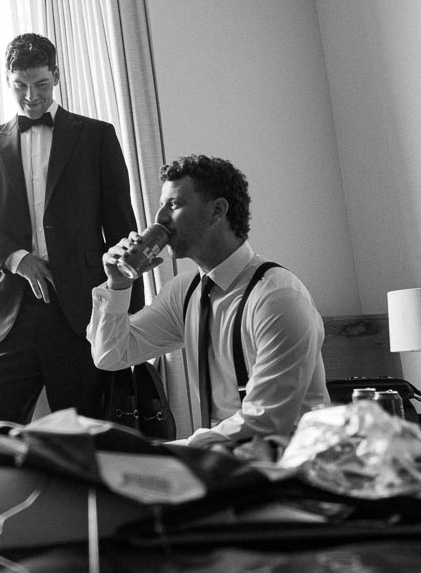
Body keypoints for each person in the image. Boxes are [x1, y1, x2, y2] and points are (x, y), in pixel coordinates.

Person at [0, 33, 137, 424]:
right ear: (9, 81)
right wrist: (17, 259)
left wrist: (129, 314)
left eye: (41, 84)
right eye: (20, 86)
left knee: (87, 439)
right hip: (8, 314)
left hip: (81, 311)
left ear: (57, 76)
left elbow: (121, 227)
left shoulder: (97, 137)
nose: (31, 96)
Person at [91, 154, 329, 448]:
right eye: (161, 206)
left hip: (290, 467)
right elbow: (111, 356)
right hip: (223, 461)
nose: (160, 218)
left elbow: (267, 419)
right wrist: (118, 285)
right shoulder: (184, 292)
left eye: (174, 204)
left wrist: (174, 450)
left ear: (217, 210)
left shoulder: (277, 297)